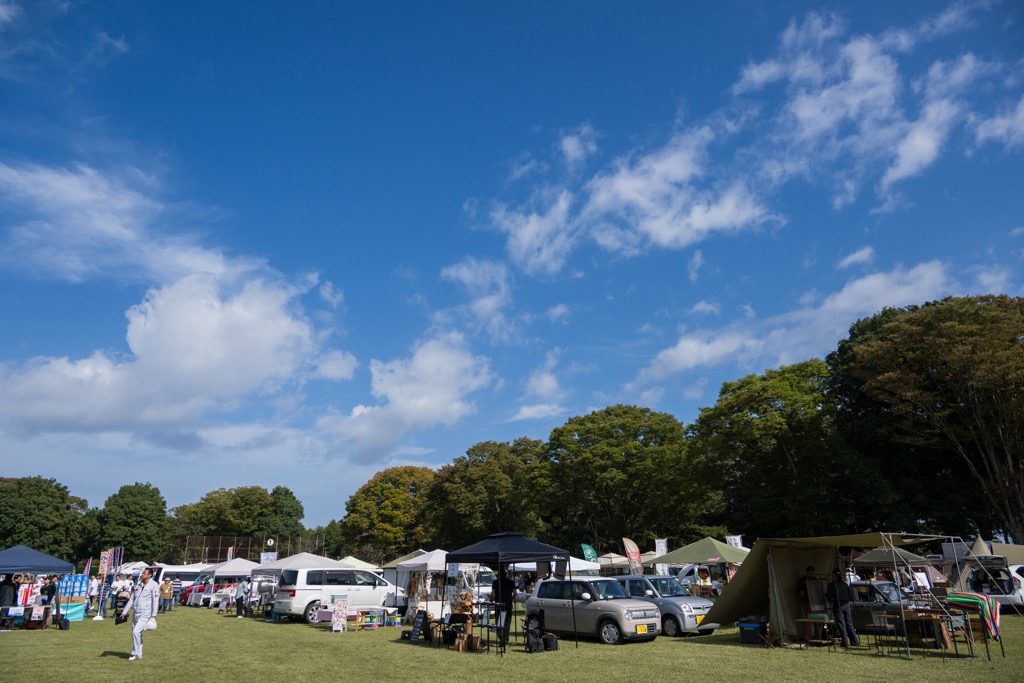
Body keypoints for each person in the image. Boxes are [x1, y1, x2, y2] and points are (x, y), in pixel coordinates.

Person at [121, 568, 159, 661]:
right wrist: (124, 612)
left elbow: (155, 600)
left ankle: (134, 653)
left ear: (149, 575)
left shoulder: (154, 585)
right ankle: (139, 653)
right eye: (142, 573)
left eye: (144, 573)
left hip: (145, 612)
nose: (142, 575)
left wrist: (153, 614)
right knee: (137, 633)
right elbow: (132, 599)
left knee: (136, 632)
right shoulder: (139, 584)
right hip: (136, 612)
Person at [826, 569, 860, 649]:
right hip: (846, 604)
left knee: (841, 623)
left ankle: (845, 642)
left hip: (838, 604)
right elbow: (849, 594)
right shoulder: (844, 584)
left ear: (833, 575)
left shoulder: (832, 585)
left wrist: (829, 599)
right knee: (849, 623)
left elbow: (829, 596)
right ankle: (855, 641)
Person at [491, 567, 516, 645]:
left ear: (498, 575)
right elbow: (515, 594)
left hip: (498, 604)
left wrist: (491, 600)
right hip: (508, 604)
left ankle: (501, 638)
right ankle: (505, 638)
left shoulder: (495, 582)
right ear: (506, 575)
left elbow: (492, 594)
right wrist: (510, 599)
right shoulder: (511, 582)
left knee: (498, 621)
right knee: (507, 622)